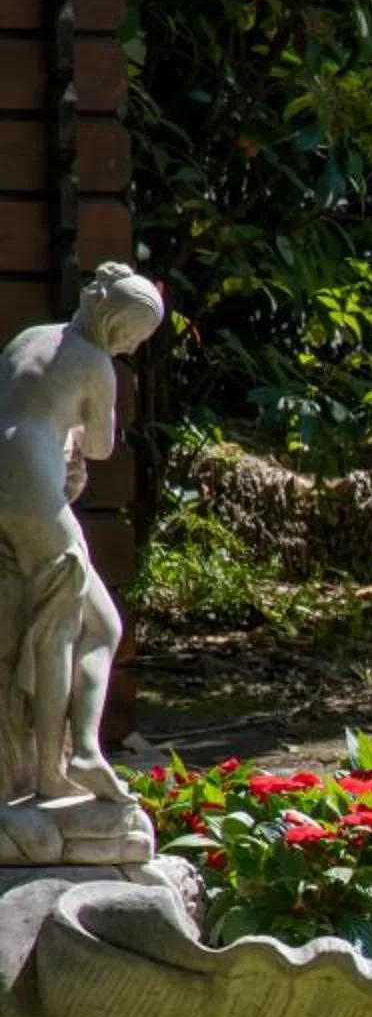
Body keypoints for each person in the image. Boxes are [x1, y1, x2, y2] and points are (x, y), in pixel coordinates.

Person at [0, 262, 165, 802]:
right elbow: (99, 448)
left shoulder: (31, 337)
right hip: (34, 499)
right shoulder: (97, 365)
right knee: (82, 628)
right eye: (135, 337)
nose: (133, 349)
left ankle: (46, 765)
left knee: (46, 622)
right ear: (118, 325)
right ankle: (62, 765)